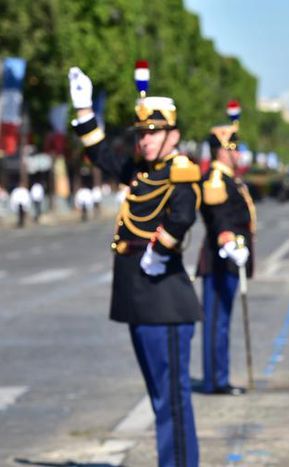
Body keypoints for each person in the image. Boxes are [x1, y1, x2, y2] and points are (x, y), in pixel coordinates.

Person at [68, 64, 201, 467]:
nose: (144, 140)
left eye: (153, 133)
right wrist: (84, 109)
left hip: (164, 299)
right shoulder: (142, 171)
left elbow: (183, 213)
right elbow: (101, 153)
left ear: (172, 135)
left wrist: (161, 249)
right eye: (141, 133)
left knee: (171, 399)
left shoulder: (180, 171)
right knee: (159, 395)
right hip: (138, 294)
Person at [195, 101, 256, 395]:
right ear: (221, 150)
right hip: (221, 259)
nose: (237, 153)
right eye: (233, 148)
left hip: (232, 259)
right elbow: (218, 217)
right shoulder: (217, 179)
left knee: (222, 322)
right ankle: (215, 380)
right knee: (216, 323)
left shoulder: (231, 178)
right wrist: (228, 241)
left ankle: (218, 376)